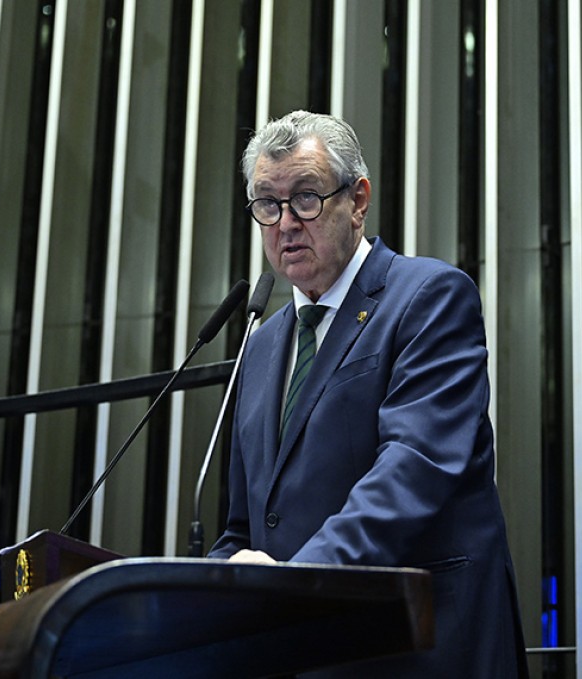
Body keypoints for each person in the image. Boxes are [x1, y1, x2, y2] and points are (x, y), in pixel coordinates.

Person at [209, 110, 528, 678]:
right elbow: (246, 527)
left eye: (306, 198)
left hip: (418, 648)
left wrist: (294, 584)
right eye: (267, 204)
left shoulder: (429, 297)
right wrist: (199, 598)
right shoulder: (260, 347)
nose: (286, 223)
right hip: (301, 651)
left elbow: (414, 468)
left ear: (357, 201)